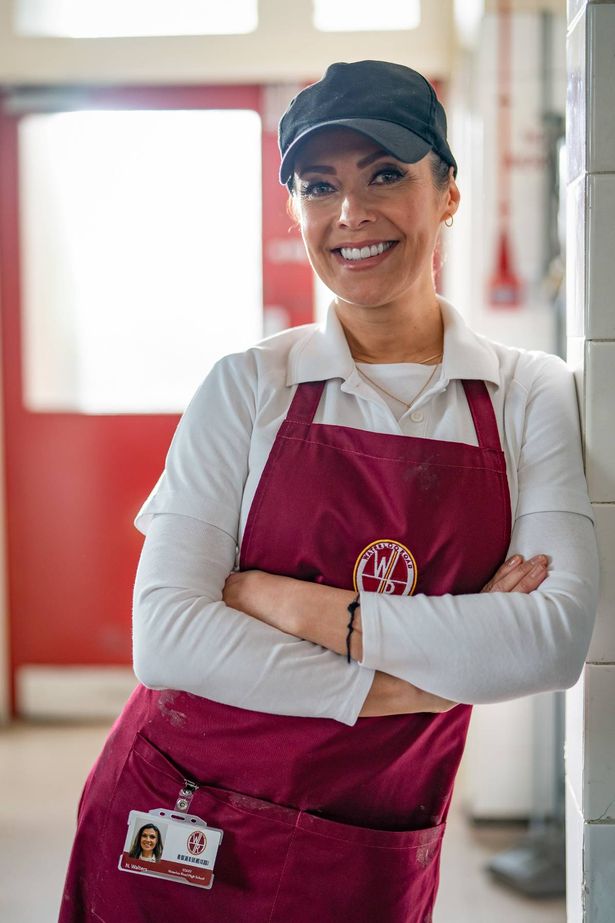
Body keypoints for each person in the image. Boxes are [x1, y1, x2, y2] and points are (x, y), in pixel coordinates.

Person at [59, 60, 598, 922]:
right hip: (179, 818)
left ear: (447, 192)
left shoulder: (524, 392)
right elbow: (168, 640)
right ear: (294, 211)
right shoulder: (246, 387)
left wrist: (295, 607)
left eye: (386, 174)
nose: (352, 214)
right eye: (320, 186)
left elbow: (545, 643)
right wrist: (422, 679)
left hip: (369, 837)